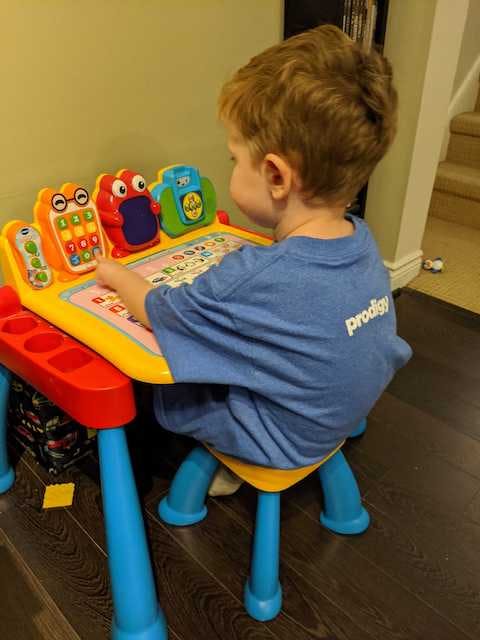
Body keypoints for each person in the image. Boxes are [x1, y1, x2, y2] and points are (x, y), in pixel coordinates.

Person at [96, 25, 412, 496]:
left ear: (275, 175)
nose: (229, 170)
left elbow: (161, 311)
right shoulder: (361, 240)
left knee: (168, 391)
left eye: (232, 160)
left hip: (284, 440)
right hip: (342, 412)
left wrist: (116, 275)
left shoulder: (253, 276)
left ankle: (237, 459)